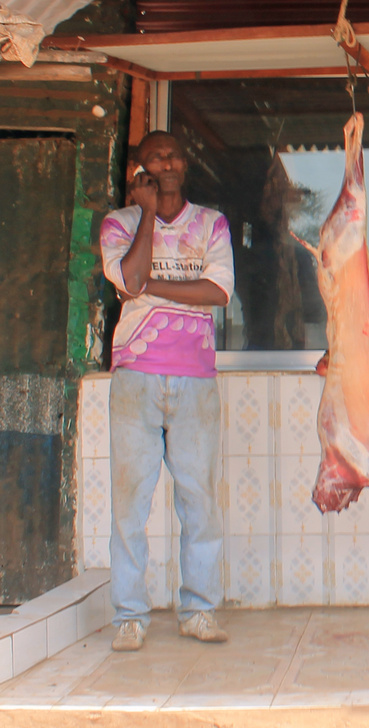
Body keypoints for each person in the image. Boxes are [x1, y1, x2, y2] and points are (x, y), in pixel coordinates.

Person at [99, 131, 235, 652]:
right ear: (139, 167)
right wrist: (148, 214)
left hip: (196, 376)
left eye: (176, 153)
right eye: (156, 155)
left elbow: (218, 292)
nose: (169, 162)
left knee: (198, 498)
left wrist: (149, 290)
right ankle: (129, 616)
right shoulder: (120, 224)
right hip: (136, 373)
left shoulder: (211, 223)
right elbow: (129, 274)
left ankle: (198, 610)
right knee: (129, 501)